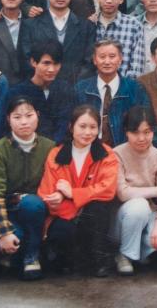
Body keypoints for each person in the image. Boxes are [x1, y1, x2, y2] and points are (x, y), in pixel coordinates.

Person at [38, 105, 119, 277]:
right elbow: (47, 192)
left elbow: (108, 189)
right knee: (63, 232)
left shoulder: (107, 154)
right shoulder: (56, 154)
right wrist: (61, 199)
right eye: (82, 126)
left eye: (93, 127)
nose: (87, 132)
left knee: (98, 208)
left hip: (92, 214)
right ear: (71, 127)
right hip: (64, 215)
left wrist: (72, 194)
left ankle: (100, 260)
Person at [0, 97, 56, 281]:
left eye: (29, 115)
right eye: (17, 117)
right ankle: (14, 253)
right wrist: (4, 232)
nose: (24, 122)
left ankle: (31, 257)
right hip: (9, 211)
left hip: (38, 210)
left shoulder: (50, 147)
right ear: (8, 119)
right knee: (15, 237)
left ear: (37, 116)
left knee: (33, 203)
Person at [113, 106, 157, 274]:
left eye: (147, 132)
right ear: (126, 132)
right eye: (135, 132)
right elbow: (123, 193)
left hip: (149, 214)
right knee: (139, 205)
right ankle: (125, 255)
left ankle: (136, 253)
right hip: (123, 217)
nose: (141, 138)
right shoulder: (116, 154)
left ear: (153, 132)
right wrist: (156, 190)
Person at [19, 0, 97, 85]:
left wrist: (73, 86)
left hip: (75, 88)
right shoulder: (30, 25)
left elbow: (89, 62)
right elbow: (26, 60)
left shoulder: (87, 27)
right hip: (41, 88)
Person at [75, 39, 151, 147]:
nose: (107, 61)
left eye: (112, 56)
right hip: (89, 147)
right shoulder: (81, 88)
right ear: (94, 60)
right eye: (102, 57)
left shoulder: (134, 88)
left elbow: (147, 122)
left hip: (125, 149)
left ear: (120, 59)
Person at [11, 40, 77, 144]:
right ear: (33, 62)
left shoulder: (66, 90)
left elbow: (65, 124)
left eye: (56, 64)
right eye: (46, 63)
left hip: (60, 148)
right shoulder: (18, 92)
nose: (51, 69)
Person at [94, 0, 145, 79]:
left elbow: (136, 69)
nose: (109, 0)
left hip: (125, 87)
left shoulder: (134, 26)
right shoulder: (90, 25)